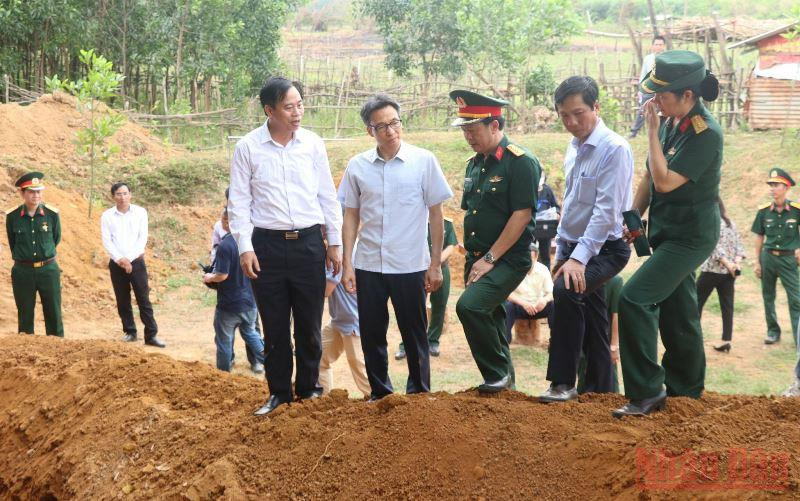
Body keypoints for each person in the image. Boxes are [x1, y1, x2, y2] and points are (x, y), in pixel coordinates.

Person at [615, 50, 723, 418]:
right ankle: (686, 390)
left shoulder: (706, 134)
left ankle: (646, 391)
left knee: (634, 298)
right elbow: (650, 174)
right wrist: (634, 216)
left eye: (662, 95)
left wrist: (649, 131)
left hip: (690, 236)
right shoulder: (671, 121)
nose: (655, 101)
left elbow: (665, 181)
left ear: (688, 95)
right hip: (665, 229)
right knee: (679, 313)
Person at [229, 77, 343, 416]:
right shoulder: (248, 147)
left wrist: (334, 242)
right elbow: (239, 201)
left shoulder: (313, 144)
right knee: (275, 326)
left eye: (300, 105)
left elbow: (327, 195)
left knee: (309, 325)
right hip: (267, 247)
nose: (297, 113)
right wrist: (245, 247)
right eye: (289, 107)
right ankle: (279, 393)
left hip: (308, 244)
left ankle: (308, 390)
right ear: (270, 110)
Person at [341, 93, 452, 401]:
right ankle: (380, 394)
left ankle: (419, 395)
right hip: (368, 264)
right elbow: (350, 216)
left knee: (414, 333)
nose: (390, 131)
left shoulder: (423, 161)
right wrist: (348, 264)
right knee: (372, 334)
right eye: (381, 126)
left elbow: (436, 216)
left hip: (410, 264)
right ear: (370, 131)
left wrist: (434, 265)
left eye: (394, 123)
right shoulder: (357, 166)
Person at [540, 76, 633, 403]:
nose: (572, 122)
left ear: (596, 107)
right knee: (594, 319)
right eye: (564, 115)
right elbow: (573, 202)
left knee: (566, 291)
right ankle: (602, 392)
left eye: (578, 113)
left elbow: (606, 211)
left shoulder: (614, 149)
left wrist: (578, 260)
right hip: (573, 246)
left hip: (605, 249)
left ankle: (562, 382)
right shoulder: (574, 146)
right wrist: (563, 251)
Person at [450, 90, 541, 394]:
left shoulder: (521, 162)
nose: (468, 137)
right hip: (476, 258)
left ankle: (497, 374)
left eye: (473, 129)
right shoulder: (475, 164)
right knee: (490, 316)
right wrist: (476, 257)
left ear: (494, 125)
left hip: (507, 259)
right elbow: (473, 211)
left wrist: (490, 259)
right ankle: (506, 388)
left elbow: (522, 215)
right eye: (464, 130)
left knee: (470, 307)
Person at [320, 191, 371, 398]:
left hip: (353, 321)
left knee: (361, 368)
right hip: (340, 320)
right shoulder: (349, 247)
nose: (323, 230)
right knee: (319, 358)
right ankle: (323, 399)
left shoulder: (339, 253)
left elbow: (325, 290)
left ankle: (381, 402)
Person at [100, 182, 165, 347]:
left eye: (125, 193)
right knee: (122, 299)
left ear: (130, 195)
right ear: (113, 196)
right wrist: (120, 259)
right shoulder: (107, 216)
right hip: (117, 263)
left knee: (143, 299)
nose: (122, 197)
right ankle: (130, 331)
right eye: (118, 194)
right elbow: (107, 241)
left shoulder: (140, 212)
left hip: (136, 262)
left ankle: (151, 335)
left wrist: (128, 259)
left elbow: (142, 238)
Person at [203, 208, 265, 374]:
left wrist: (209, 277)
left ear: (227, 222)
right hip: (250, 301)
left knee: (224, 341)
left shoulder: (225, 245)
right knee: (251, 334)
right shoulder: (252, 241)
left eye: (223, 220)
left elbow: (222, 275)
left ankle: (223, 375)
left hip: (229, 304)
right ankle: (272, 363)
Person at [5, 172, 63, 337]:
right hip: (23, 271)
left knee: (53, 311)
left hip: (48, 270)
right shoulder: (13, 216)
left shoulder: (52, 214)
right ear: (22, 193)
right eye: (31, 192)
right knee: (25, 312)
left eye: (38, 191)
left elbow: (56, 238)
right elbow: (13, 242)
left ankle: (57, 345)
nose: (36, 195)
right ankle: (26, 348)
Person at [395, 217, 458, 360]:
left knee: (439, 305)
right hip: (417, 269)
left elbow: (450, 246)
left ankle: (433, 341)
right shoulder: (413, 218)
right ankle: (406, 344)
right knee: (412, 307)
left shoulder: (446, 223)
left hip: (440, 269)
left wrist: (435, 263)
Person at [751, 168, 800, 346]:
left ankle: (798, 335)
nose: (772, 188)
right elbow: (759, 236)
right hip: (768, 258)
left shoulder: (796, 210)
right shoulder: (764, 211)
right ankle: (772, 331)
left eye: (776, 185)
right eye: (771, 185)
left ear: (786, 188)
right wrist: (757, 262)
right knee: (768, 296)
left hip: (789, 260)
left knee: (796, 299)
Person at [697, 198, 745, 352]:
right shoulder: (731, 224)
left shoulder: (712, 224)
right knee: (727, 306)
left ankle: (693, 339)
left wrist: (728, 263)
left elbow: (714, 248)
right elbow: (739, 247)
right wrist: (735, 264)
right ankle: (726, 340)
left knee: (695, 303)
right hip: (729, 273)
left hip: (711, 270)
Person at [577, 275, 623, 393]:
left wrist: (614, 346)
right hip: (584, 338)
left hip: (604, 339)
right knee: (583, 375)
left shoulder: (615, 281)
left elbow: (616, 315)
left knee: (609, 381)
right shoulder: (583, 278)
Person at [503, 241, 553, 342]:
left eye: (530, 258)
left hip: (538, 307)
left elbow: (551, 293)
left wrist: (544, 300)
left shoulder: (543, 269)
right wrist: (524, 303)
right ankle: (504, 341)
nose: (526, 261)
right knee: (507, 305)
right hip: (520, 306)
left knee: (554, 306)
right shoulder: (513, 269)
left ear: (536, 257)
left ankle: (555, 340)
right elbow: (506, 293)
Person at [629, 36, 667, 139]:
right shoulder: (648, 58)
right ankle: (634, 132)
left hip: (662, 89)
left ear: (664, 46)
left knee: (663, 110)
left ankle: (661, 133)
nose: (658, 46)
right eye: (656, 44)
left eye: (660, 45)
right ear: (652, 46)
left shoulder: (667, 58)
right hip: (649, 88)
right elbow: (643, 74)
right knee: (643, 109)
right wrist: (641, 90)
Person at [535, 172, 560, 270]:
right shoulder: (528, 189)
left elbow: (556, 206)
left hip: (545, 227)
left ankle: (546, 274)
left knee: (545, 254)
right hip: (531, 226)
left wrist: (557, 213)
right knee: (529, 253)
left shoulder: (547, 190)